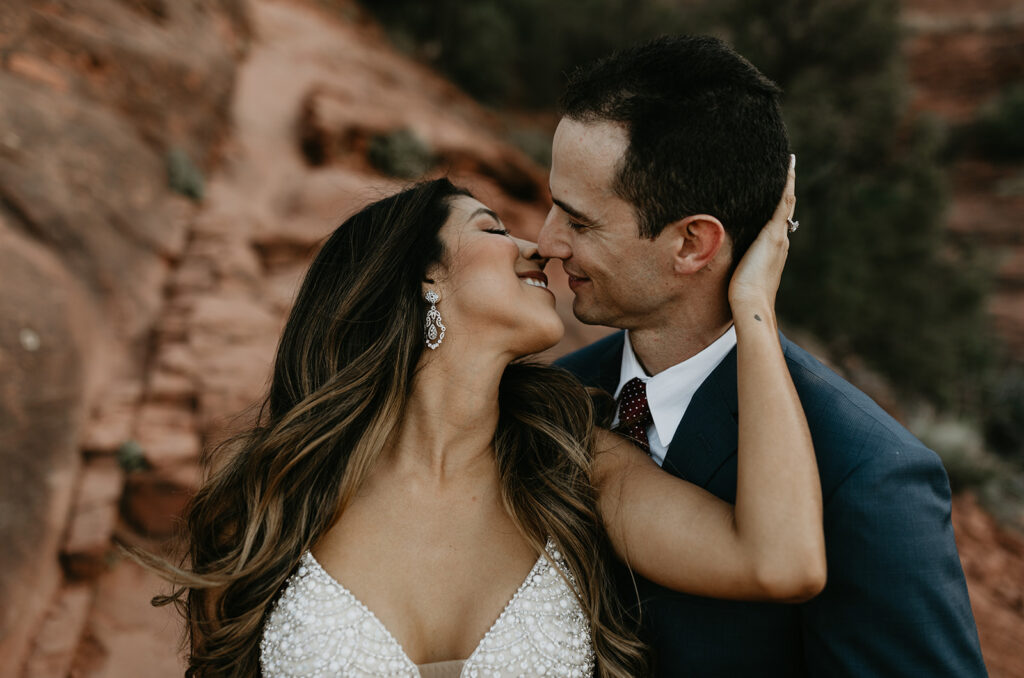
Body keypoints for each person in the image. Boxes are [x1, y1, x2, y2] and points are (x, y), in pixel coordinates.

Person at [147, 169, 821, 677]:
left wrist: (752, 310)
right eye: (493, 229)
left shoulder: (574, 461)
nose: (537, 247)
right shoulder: (276, 498)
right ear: (425, 281)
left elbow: (779, 563)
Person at [539, 34, 988, 677]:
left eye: (580, 223)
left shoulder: (864, 475)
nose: (548, 241)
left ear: (693, 243)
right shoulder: (557, 398)